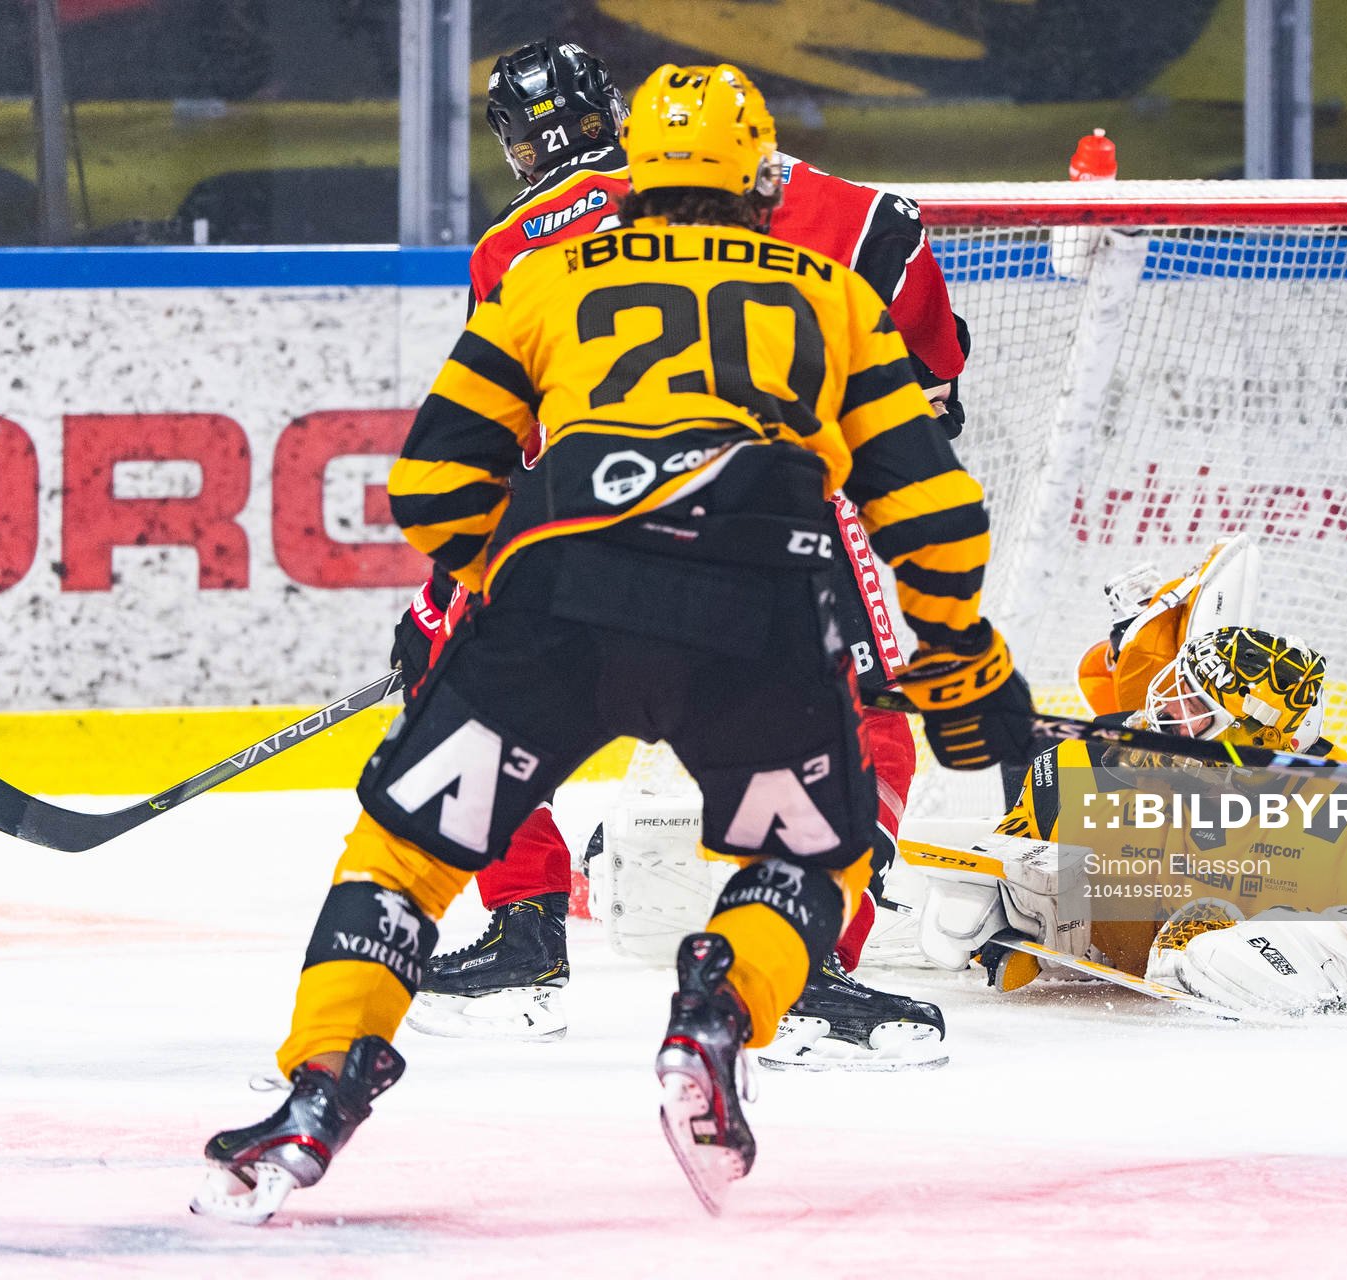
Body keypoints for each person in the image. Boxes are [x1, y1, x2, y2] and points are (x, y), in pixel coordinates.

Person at [193, 62, 1032, 1223]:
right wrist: (968, 665)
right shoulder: (831, 285)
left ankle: (323, 1080)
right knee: (813, 857)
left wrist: (491, 580)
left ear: (632, 165)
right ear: (758, 171)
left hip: (565, 595)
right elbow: (935, 510)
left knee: (399, 856)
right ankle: (722, 1009)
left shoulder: (535, 272)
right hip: (760, 601)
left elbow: (434, 485)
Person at [393, 38, 971, 1065]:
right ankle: (803, 966)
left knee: (473, 690)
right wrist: (932, 366)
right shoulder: (741, 188)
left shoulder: (511, 252)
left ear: (517, 144)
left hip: (596, 523)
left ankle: (525, 938)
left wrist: (443, 603)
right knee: (856, 709)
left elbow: (490, 449)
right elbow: (893, 228)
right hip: (762, 515)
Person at [908, 533, 1347, 1016]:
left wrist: (1337, 959)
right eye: (1170, 695)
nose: (1160, 716)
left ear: (1256, 735)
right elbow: (1015, 858)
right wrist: (991, 915)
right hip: (1087, 1066)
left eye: (1191, 709)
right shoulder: (1077, 768)